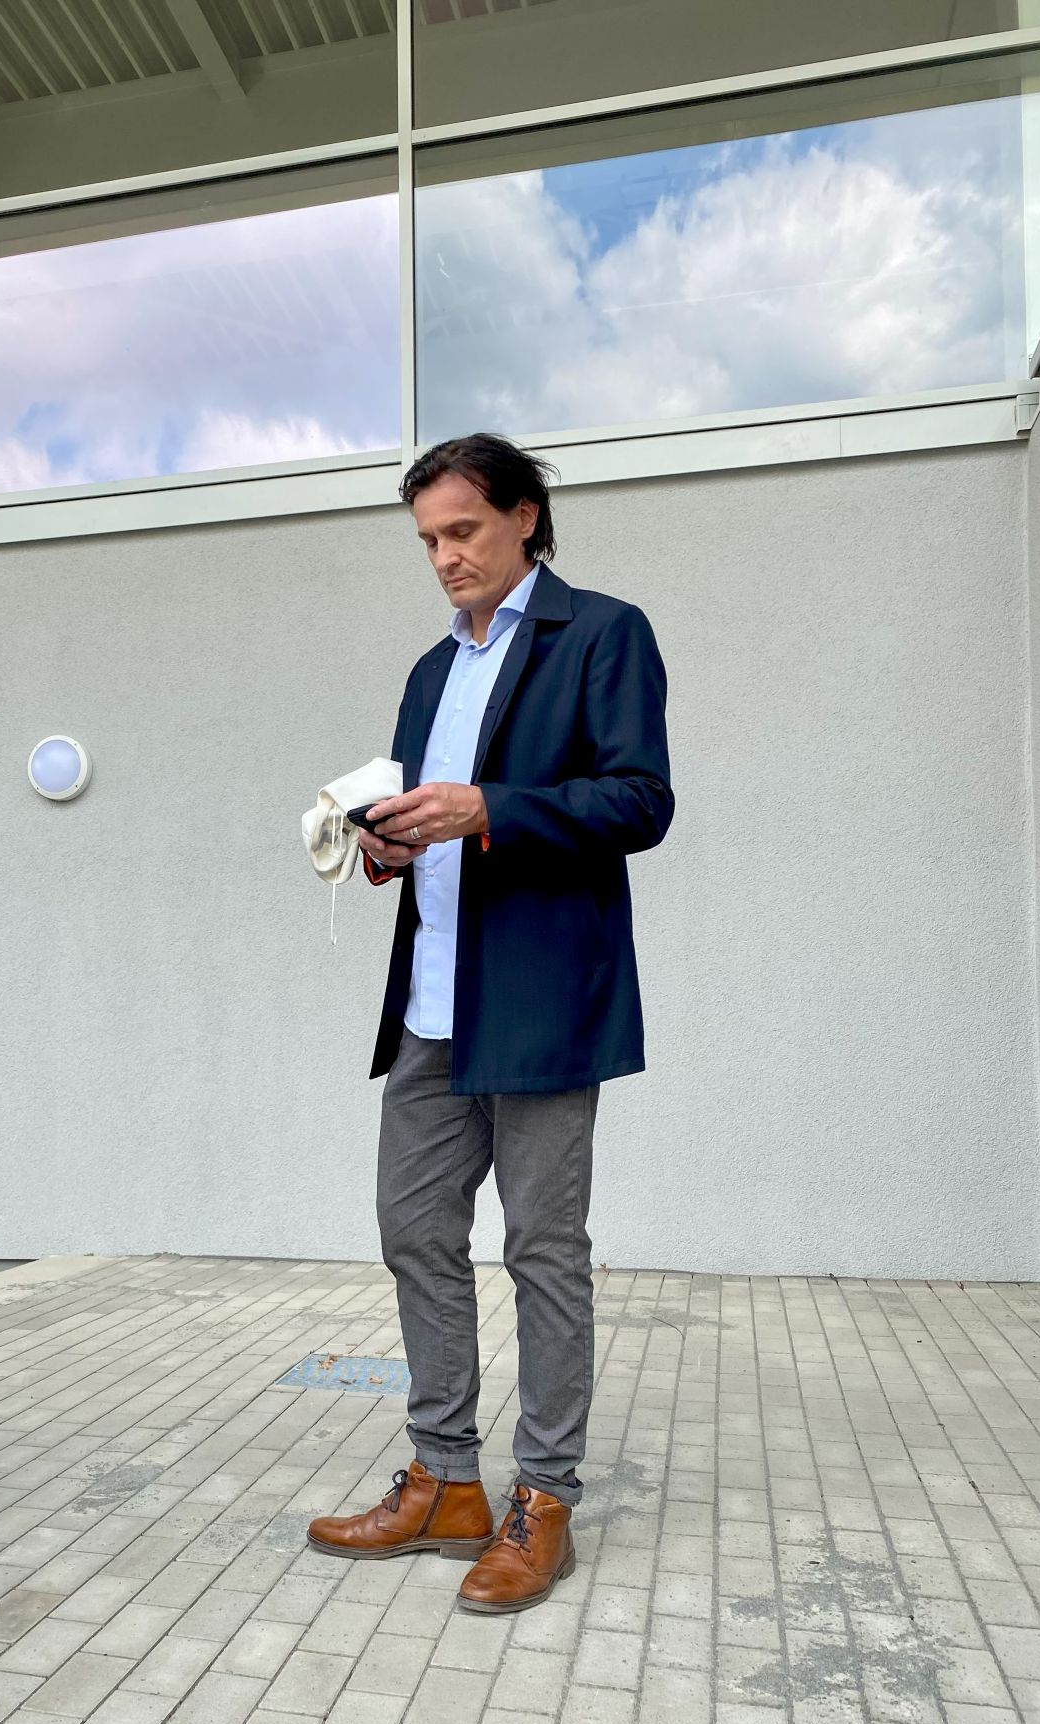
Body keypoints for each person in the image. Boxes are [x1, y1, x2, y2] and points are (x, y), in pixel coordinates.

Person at [306, 434, 674, 1614]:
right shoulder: (431, 670)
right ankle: (446, 1480)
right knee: (414, 1231)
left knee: (543, 1250)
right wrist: (384, 841)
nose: (444, 556)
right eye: (428, 539)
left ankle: (544, 1497)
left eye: (461, 530)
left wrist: (488, 808)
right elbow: (433, 820)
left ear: (523, 514)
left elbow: (640, 800)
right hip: (431, 1006)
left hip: (541, 1001)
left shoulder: (602, 633)